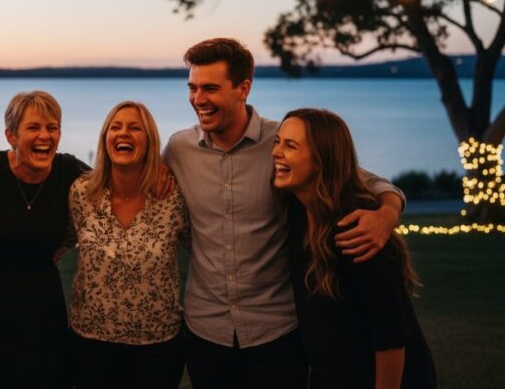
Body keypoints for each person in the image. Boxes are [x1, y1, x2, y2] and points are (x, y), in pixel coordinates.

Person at [163, 38, 406, 389]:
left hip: (278, 334)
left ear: (243, 88)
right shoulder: (178, 149)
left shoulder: (284, 142)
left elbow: (359, 177)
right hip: (205, 331)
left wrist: (387, 212)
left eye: (210, 88)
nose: (198, 99)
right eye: (193, 88)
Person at [273, 108, 436, 389]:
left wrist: (389, 210)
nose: (275, 152)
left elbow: (391, 333)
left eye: (290, 146)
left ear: (321, 160)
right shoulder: (298, 212)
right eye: (277, 142)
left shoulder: (357, 225)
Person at [67, 101, 189, 389]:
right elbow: (61, 240)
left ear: (150, 141)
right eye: (116, 127)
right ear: (105, 138)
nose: (123, 133)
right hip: (91, 344)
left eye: (135, 128)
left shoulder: (172, 195)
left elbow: (199, 246)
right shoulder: (82, 193)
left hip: (158, 347)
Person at [0, 91, 87, 389]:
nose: (45, 136)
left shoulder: (69, 171)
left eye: (52, 128)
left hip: (43, 303)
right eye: (33, 127)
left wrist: (160, 170)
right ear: (11, 135)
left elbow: (117, 179)